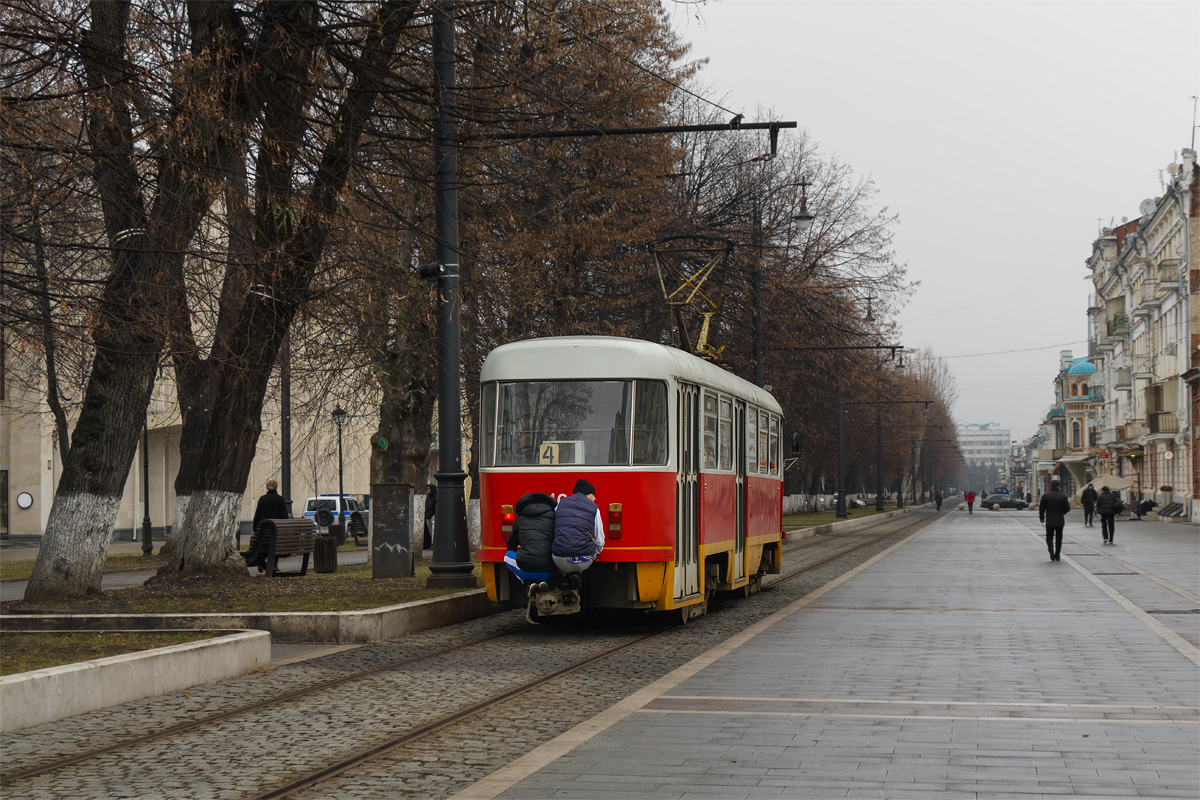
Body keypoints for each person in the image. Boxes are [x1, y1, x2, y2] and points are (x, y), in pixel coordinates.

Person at [551, 478, 605, 589]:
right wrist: (596, 552)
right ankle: (577, 574)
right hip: (583, 561)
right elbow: (600, 540)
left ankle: (565, 577)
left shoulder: (560, 503)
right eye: (592, 494)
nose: (595, 498)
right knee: (591, 544)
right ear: (586, 494)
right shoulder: (595, 509)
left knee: (562, 545)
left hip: (559, 560)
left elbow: (554, 531)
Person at [503, 492, 557, 585]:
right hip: (549, 570)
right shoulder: (554, 516)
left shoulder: (520, 519)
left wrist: (522, 546)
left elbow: (510, 546)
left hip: (526, 567)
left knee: (507, 555)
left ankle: (528, 582)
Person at [245, 479, 289, 566]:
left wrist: (255, 529)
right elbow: (284, 516)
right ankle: (274, 564)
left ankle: (262, 562)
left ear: (267, 487)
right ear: (276, 487)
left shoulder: (262, 499)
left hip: (263, 532)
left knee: (262, 546)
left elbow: (257, 515)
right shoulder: (280, 499)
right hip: (275, 531)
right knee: (275, 545)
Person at [1039, 480, 1071, 561]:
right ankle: (1057, 555)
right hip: (1059, 520)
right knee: (1059, 538)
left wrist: (1042, 517)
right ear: (1058, 486)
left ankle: (1050, 547)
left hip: (1049, 519)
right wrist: (1061, 513)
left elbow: (1041, 508)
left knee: (1049, 536)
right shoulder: (1063, 496)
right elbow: (1067, 508)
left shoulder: (1046, 496)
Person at [423, 483, 437, 550]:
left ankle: (433, 543)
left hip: (433, 515)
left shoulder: (436, 496)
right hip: (428, 515)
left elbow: (433, 505)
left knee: (433, 528)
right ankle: (432, 542)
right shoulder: (428, 497)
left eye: (429, 489)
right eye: (427, 489)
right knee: (430, 529)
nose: (428, 490)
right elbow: (427, 505)